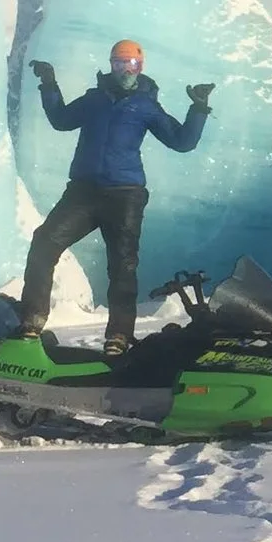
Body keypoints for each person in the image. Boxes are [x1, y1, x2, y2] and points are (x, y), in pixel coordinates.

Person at [22, 40, 215, 356]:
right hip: (83, 193)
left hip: (126, 196)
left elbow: (182, 142)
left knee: (122, 267)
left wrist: (198, 108)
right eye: (118, 64)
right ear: (110, 65)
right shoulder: (94, 99)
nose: (124, 70)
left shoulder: (146, 106)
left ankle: (119, 337)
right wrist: (49, 85)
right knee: (44, 243)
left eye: (131, 64)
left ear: (141, 67)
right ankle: (31, 322)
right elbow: (61, 120)